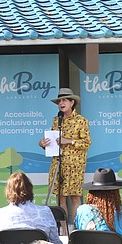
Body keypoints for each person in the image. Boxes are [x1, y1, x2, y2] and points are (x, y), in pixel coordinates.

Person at [0, 172, 62, 244]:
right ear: (30, 189)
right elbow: (55, 242)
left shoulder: (0, 214)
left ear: (8, 190)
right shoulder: (45, 211)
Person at [38, 88, 90, 224]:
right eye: (59, 101)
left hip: (75, 165)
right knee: (60, 197)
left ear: (72, 102)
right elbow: (53, 140)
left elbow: (86, 143)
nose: (61, 103)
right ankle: (64, 231)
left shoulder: (81, 121)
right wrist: (43, 143)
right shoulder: (56, 120)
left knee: (74, 197)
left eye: (64, 100)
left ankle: (78, 228)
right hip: (58, 163)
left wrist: (69, 141)